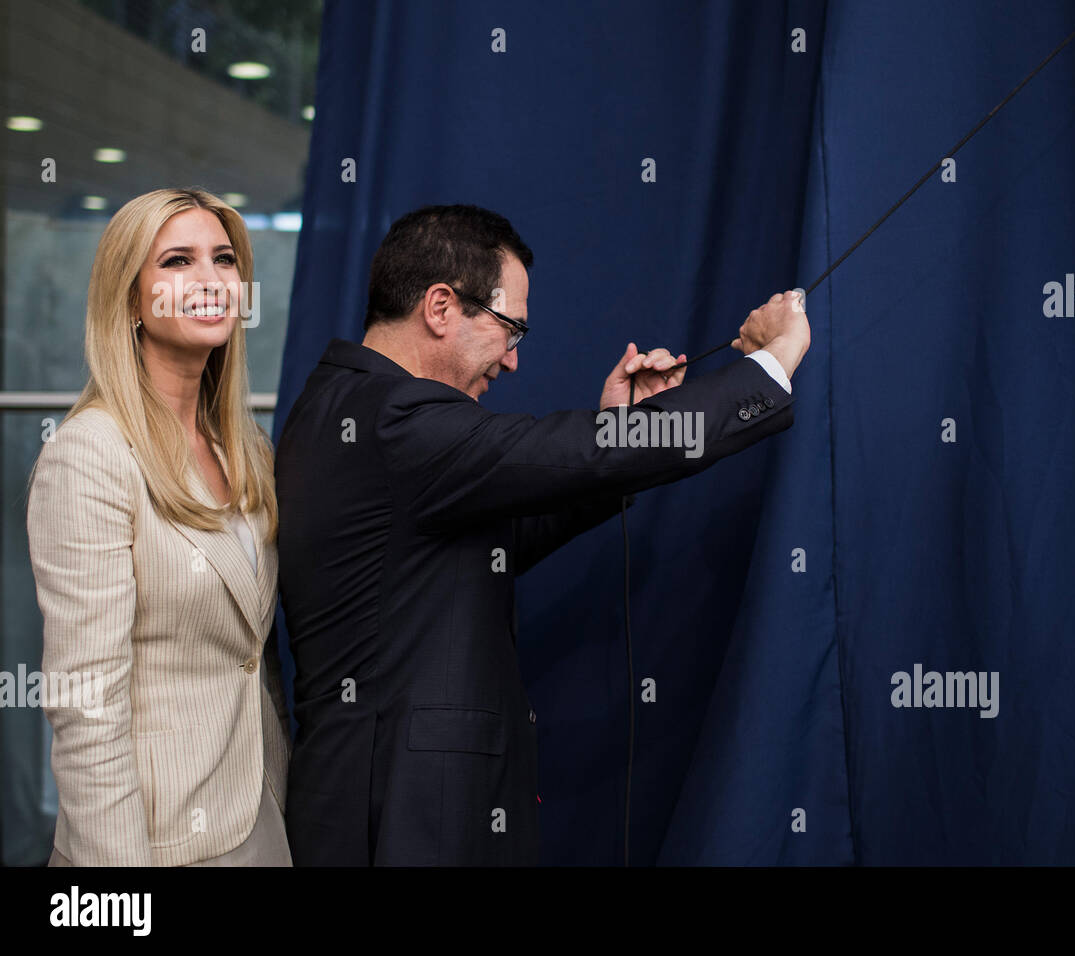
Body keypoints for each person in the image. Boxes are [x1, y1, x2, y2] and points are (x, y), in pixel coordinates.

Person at [276, 203, 809, 865]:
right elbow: (572, 451)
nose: (513, 360)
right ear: (441, 307)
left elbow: (485, 544)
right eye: (510, 329)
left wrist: (621, 432)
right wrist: (773, 364)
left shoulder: (344, 405)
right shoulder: (393, 418)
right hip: (407, 820)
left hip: (392, 806)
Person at [26, 188, 292, 866]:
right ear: (130, 300)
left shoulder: (246, 449)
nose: (210, 280)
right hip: (150, 843)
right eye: (177, 261)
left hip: (259, 818)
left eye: (224, 259)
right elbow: (86, 707)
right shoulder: (91, 454)